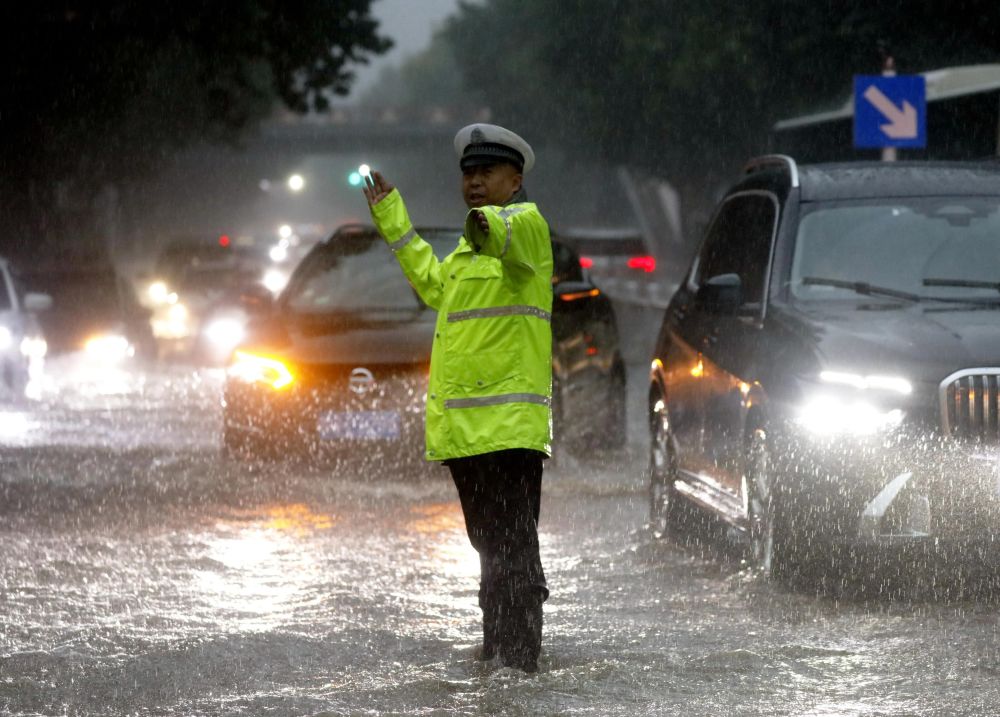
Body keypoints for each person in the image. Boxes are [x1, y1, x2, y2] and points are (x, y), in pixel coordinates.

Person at [361, 123, 553, 673]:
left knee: (513, 551)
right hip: (467, 436)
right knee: (491, 550)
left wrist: (483, 217)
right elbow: (428, 279)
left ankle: (518, 665)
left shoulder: (528, 228)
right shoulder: (466, 259)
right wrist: (392, 217)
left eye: (487, 173)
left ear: (516, 180)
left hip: (510, 432)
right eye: (468, 174)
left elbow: (503, 229)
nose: (474, 183)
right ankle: (498, 655)